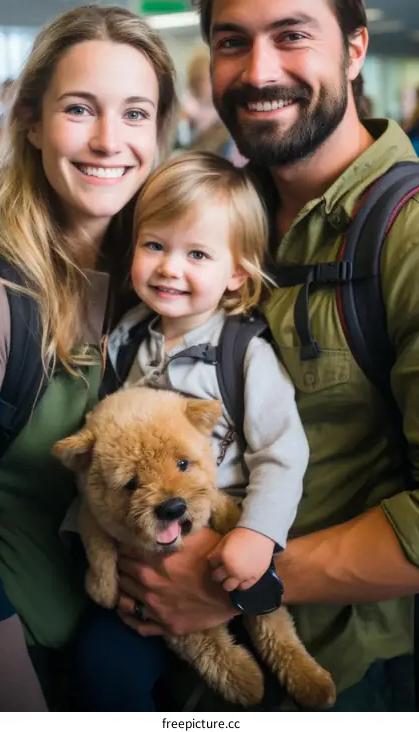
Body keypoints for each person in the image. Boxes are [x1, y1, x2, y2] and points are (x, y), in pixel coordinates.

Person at [113, 0, 419, 711]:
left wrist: (235, 583)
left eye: (292, 36)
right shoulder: (231, 216)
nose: (259, 71)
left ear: (354, 50)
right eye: (231, 41)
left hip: (338, 675)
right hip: (182, 661)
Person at [0, 4, 177, 710]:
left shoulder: (160, 284)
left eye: (135, 114)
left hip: (118, 661)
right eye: (80, 109)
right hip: (9, 673)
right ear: (29, 120)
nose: (108, 141)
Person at [68, 151, 308, 710]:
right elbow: (103, 458)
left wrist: (259, 535)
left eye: (196, 253)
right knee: (102, 668)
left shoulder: (244, 352)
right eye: (155, 245)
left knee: (249, 684)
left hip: (222, 537)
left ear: (236, 274)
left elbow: (282, 452)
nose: (170, 268)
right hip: (140, 543)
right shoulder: (126, 339)